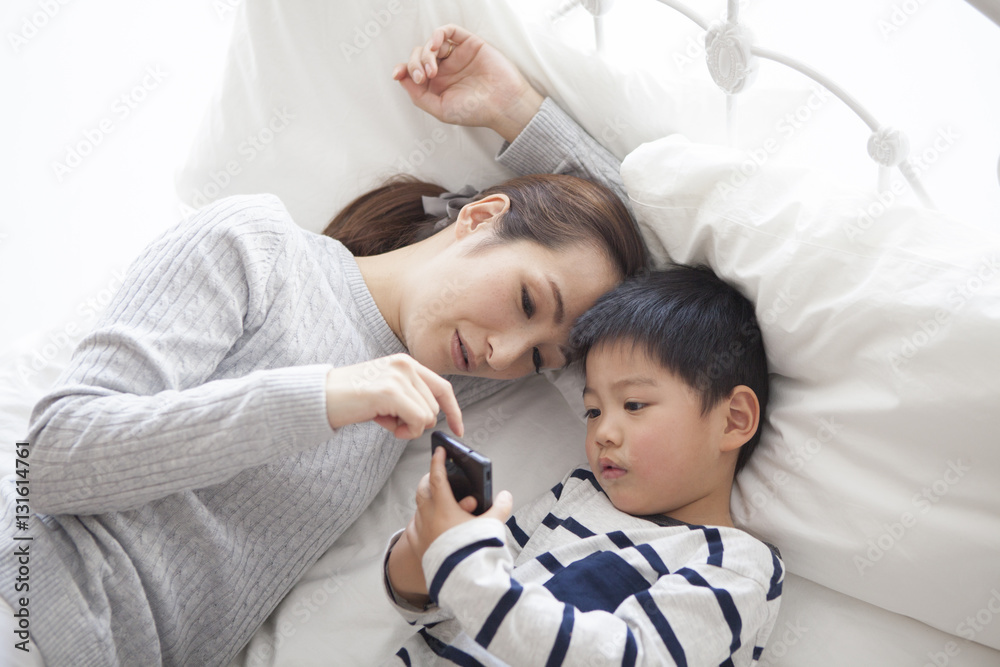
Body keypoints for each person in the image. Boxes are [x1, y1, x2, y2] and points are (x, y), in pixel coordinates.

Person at [0, 24, 647, 667]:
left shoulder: (440, 381)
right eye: (529, 301)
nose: (507, 353)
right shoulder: (259, 249)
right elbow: (50, 457)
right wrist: (323, 396)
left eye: (539, 358)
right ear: (478, 219)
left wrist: (514, 110)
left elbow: (659, 291)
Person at [384, 266, 784, 666]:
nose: (603, 433)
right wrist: (425, 547)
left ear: (732, 420)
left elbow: (628, 657)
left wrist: (467, 574)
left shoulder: (735, 563)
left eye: (633, 405)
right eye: (593, 410)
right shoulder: (577, 494)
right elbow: (442, 607)